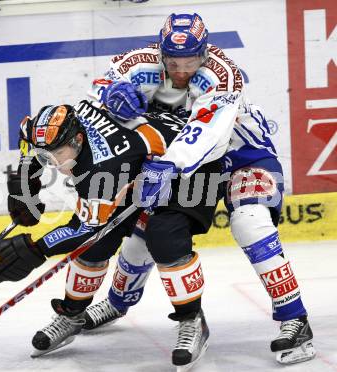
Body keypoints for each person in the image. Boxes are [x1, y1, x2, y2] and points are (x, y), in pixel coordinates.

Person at [82, 12, 316, 366]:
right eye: (173, 60)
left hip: (240, 157)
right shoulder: (142, 61)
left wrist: (167, 164)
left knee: (249, 220)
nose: (181, 70)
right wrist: (110, 93)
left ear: (205, 54)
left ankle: (295, 319)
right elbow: (102, 83)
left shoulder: (222, 75)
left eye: (191, 61)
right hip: (186, 162)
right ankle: (118, 302)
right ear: (160, 52)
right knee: (146, 226)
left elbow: (210, 134)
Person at [0, 99, 225, 369]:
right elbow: (28, 137)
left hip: (192, 172)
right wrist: (26, 182)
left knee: (165, 238)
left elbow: (86, 229)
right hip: (141, 170)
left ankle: (192, 319)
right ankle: (72, 314)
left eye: (56, 156)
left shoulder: (104, 165)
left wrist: (36, 249)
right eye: (45, 157)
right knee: (96, 247)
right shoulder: (59, 129)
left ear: (76, 140)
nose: (51, 163)